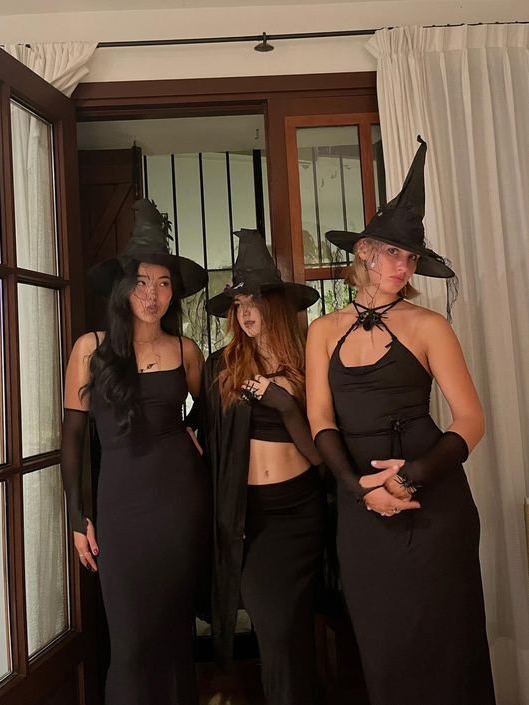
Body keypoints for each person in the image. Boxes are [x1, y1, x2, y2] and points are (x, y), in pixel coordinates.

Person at [306, 137, 496, 705]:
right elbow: (319, 421)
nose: (402, 266)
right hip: (360, 506)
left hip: (433, 501)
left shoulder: (429, 325)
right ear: (364, 252)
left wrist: (410, 478)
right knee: (385, 649)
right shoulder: (322, 331)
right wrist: (360, 489)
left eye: (411, 257)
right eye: (393, 252)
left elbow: (471, 419)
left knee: (447, 645)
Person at [60, 199, 211, 705]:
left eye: (163, 283)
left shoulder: (186, 351)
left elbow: (208, 414)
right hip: (121, 509)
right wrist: (77, 516)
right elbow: (73, 437)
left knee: (173, 635)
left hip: (180, 505)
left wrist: (191, 432)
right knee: (129, 642)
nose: (152, 294)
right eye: (142, 281)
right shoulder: (90, 348)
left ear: (174, 292)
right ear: (123, 288)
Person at [200, 229, 324, 705]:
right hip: (251, 518)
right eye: (238, 305)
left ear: (276, 304)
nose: (246, 313)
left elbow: (321, 455)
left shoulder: (309, 363)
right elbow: (200, 430)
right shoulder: (222, 367)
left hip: (299, 515)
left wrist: (286, 405)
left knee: (289, 632)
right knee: (275, 630)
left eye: (254, 301)